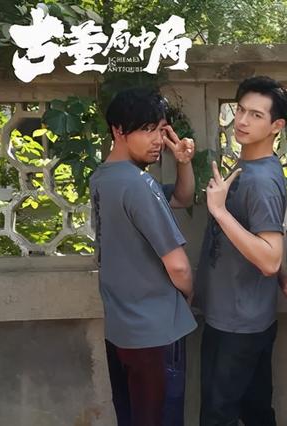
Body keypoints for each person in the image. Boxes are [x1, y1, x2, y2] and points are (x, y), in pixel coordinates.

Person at [196, 76, 287, 426]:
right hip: (243, 314)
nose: (242, 121)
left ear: (277, 126)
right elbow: (266, 241)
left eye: (256, 115)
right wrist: (283, 276)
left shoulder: (260, 180)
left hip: (237, 323)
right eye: (241, 110)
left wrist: (219, 211)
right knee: (256, 412)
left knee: (218, 416)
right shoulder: (252, 166)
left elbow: (269, 259)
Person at [89, 87, 198, 426]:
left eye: (161, 130)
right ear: (118, 130)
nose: (157, 140)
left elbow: (181, 198)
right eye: (147, 129)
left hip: (121, 330)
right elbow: (178, 266)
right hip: (156, 333)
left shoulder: (102, 178)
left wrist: (183, 163)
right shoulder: (139, 185)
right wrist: (187, 296)